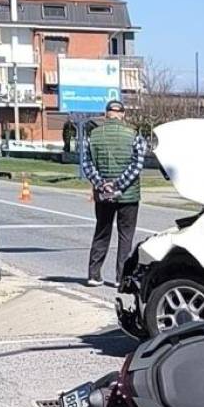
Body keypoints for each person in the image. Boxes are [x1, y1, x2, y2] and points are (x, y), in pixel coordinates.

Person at [80, 98, 148, 287]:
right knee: (126, 236)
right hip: (129, 195)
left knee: (102, 231)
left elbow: (86, 164)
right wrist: (119, 184)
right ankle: (121, 278)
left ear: (106, 114)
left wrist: (102, 184)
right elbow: (137, 165)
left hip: (103, 196)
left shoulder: (92, 135)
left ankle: (94, 274)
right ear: (123, 114)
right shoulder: (134, 135)